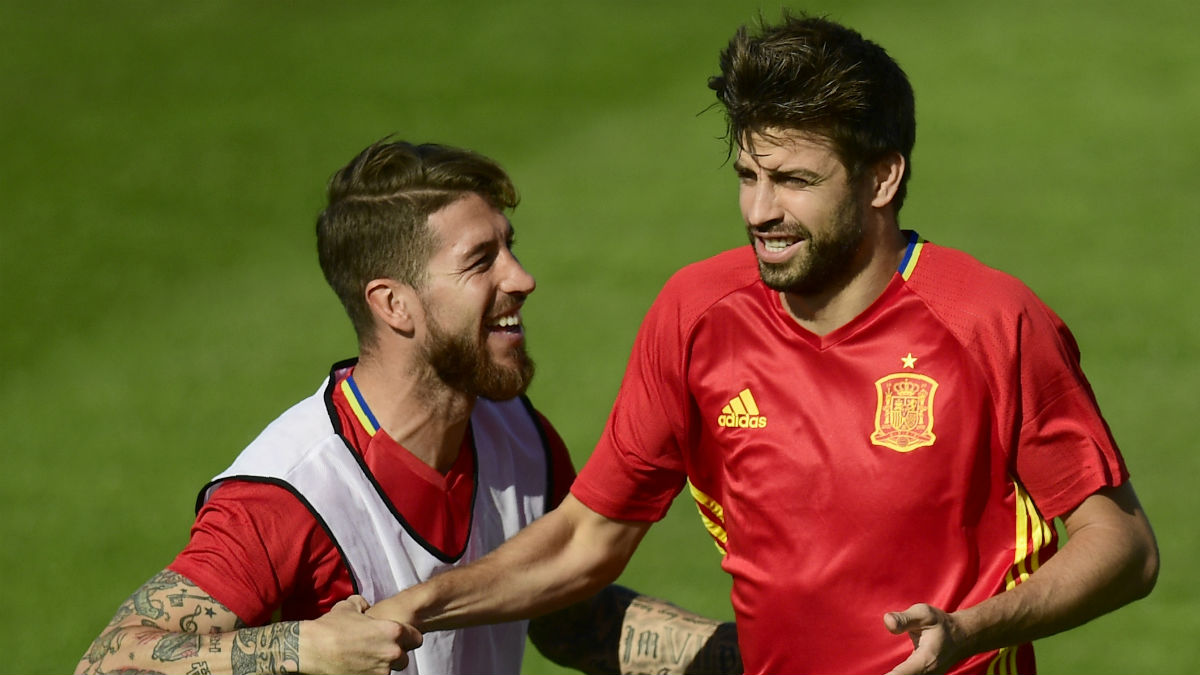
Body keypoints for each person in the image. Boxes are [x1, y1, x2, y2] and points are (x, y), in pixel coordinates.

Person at [367, 13, 1160, 675]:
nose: (759, 210)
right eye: (748, 174)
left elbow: (1123, 544)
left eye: (794, 181)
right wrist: (423, 605)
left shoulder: (991, 321)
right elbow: (587, 537)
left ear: (881, 178)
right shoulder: (698, 313)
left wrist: (973, 628)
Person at [75, 140, 741, 675]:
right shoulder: (291, 494)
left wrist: (757, 653)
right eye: (483, 260)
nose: (522, 277)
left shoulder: (517, 437)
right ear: (394, 304)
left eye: (511, 245)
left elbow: (567, 616)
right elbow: (108, 662)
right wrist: (304, 650)